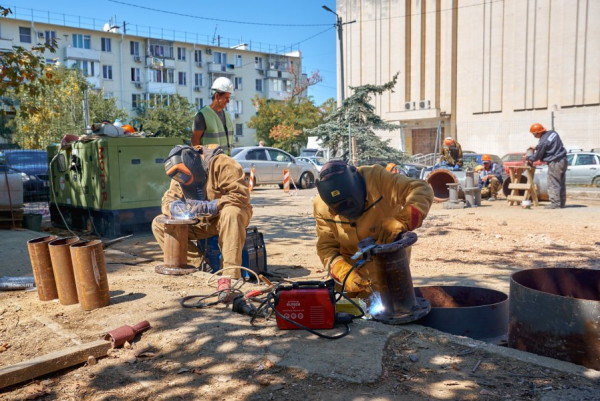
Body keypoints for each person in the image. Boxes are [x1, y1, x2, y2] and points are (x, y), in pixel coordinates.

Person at [313, 160, 433, 298]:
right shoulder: (321, 205)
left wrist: (402, 221)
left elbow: (421, 189)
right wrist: (343, 272)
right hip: (350, 278)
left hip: (389, 264)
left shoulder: (377, 178)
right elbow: (326, 246)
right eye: (339, 208)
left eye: (350, 203)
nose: (347, 210)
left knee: (394, 308)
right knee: (352, 314)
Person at [151, 144, 252, 278]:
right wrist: (173, 208)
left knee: (232, 213)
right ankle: (200, 267)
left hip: (224, 220)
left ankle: (229, 276)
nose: (184, 182)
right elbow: (167, 200)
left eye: (186, 177)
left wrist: (210, 206)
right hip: (201, 223)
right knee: (158, 224)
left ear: (193, 164)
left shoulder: (222, 164)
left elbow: (240, 196)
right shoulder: (180, 175)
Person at [526, 123, 567, 209]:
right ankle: (561, 203)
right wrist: (537, 147)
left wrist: (529, 157)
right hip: (563, 160)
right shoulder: (553, 133)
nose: (534, 136)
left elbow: (538, 156)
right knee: (561, 183)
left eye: (534, 134)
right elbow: (549, 144)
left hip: (555, 162)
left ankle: (555, 203)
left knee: (553, 183)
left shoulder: (542, 142)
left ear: (538, 132)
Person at [192, 77, 235, 155]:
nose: (228, 101)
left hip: (226, 162)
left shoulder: (227, 115)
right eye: (226, 98)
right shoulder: (202, 115)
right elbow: (195, 143)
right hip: (209, 164)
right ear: (217, 96)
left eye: (229, 98)